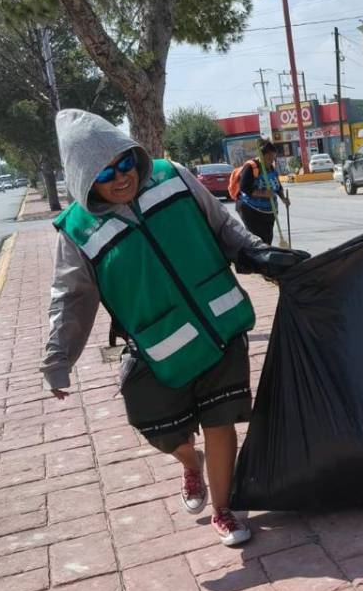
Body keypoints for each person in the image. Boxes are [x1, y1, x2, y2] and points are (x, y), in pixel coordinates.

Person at [43, 110, 304, 545]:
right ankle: (188, 460)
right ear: (85, 180)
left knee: (221, 422)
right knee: (157, 428)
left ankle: (225, 510)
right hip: (157, 346)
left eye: (126, 162)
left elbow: (223, 227)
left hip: (220, 326)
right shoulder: (77, 230)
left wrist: (258, 255)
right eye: (106, 172)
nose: (122, 176)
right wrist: (57, 356)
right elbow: (70, 299)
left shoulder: (172, 176)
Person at [235, 138, 291, 245]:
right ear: (261, 155)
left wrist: (284, 199)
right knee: (257, 240)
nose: (271, 161)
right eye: (268, 158)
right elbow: (244, 187)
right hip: (251, 210)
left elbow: (277, 186)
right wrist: (263, 194)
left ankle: (267, 258)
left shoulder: (271, 168)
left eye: (273, 158)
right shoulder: (251, 167)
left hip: (269, 211)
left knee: (267, 239)